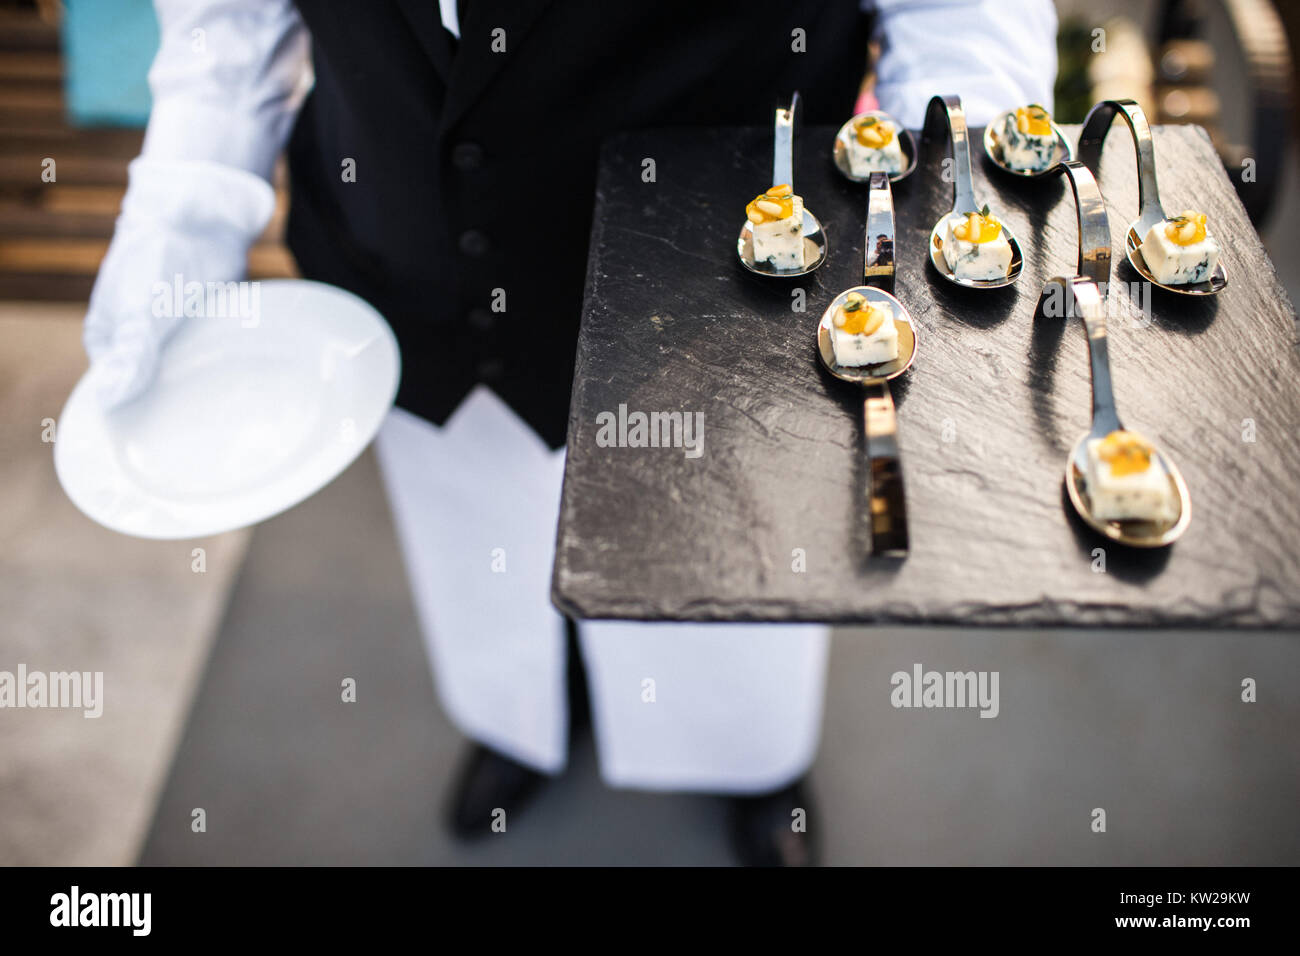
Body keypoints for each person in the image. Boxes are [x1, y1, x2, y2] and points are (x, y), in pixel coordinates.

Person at [84, 0, 1057, 865]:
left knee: (731, 566)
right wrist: (173, 233)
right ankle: (523, 716)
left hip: (729, 281)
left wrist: (953, 207)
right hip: (416, 268)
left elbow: (958, 13)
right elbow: (229, 28)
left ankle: (746, 760)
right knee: (481, 551)